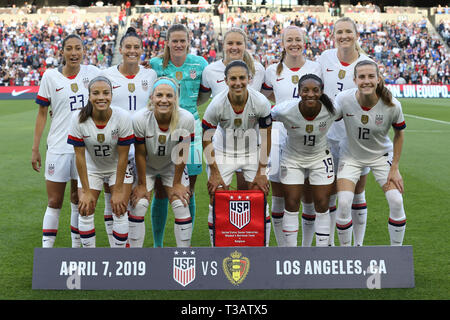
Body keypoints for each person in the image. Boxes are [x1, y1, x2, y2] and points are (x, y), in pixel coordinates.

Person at [32, 34, 100, 248]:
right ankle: (47, 253)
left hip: (85, 149)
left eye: (78, 48)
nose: (73, 53)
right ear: (61, 52)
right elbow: (42, 113)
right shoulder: (50, 77)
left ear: (84, 51)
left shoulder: (93, 73)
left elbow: (118, 77)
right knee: (54, 202)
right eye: (69, 48)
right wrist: (35, 148)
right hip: (58, 148)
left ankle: (76, 250)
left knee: (80, 201)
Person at [334, 60, 406, 246]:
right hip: (350, 156)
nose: (366, 81)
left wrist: (395, 167)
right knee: (343, 203)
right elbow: (326, 117)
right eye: (362, 77)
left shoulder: (392, 105)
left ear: (378, 79)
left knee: (396, 201)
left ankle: (396, 253)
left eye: (371, 76)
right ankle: (346, 255)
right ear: (355, 79)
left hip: (381, 156)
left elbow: (399, 134)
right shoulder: (344, 99)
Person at [262, 25, 322, 247]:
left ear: (304, 42)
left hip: (308, 137)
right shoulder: (272, 71)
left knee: (307, 195)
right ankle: (282, 248)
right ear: (283, 43)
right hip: (279, 137)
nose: (294, 43)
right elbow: (264, 97)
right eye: (290, 40)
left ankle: (305, 249)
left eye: (298, 39)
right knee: (278, 196)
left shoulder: (316, 67)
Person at [317, 17, 374, 246]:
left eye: (348, 31)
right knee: (330, 192)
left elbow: (375, 100)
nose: (344, 36)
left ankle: (357, 245)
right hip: (328, 137)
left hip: (356, 139)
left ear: (356, 34)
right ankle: (330, 243)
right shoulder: (325, 57)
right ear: (333, 35)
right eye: (339, 32)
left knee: (357, 192)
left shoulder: (366, 62)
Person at [202, 60, 272, 247]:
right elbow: (206, 139)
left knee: (260, 194)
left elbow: (266, 138)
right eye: (233, 78)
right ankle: (216, 249)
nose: (238, 82)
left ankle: (261, 250)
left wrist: (262, 172)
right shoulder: (216, 104)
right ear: (225, 81)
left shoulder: (261, 102)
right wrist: (214, 173)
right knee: (216, 194)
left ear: (249, 79)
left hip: (252, 151)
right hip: (224, 152)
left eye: (242, 78)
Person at [149, 24, 208, 247]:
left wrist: (188, 108)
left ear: (189, 40)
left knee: (188, 189)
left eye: (182, 40)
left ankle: (185, 242)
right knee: (162, 191)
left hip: (191, 128)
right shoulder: (156, 64)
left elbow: (205, 94)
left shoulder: (200, 64)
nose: (179, 44)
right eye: (174, 40)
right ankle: (158, 244)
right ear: (167, 42)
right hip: (161, 130)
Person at [101, 27, 157, 248]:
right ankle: (117, 251)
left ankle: (135, 252)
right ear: (120, 49)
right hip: (117, 147)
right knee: (115, 201)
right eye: (128, 47)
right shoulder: (106, 75)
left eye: (136, 47)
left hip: (143, 147)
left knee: (140, 203)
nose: (132, 51)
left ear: (142, 50)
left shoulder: (150, 74)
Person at [271, 74, 338, 247]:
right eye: (305, 90)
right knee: (291, 201)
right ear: (299, 92)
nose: (310, 94)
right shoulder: (284, 110)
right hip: (292, 158)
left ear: (321, 91)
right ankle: (292, 254)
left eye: (315, 90)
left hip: (320, 157)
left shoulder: (332, 110)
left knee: (322, 203)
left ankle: (322, 253)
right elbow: (265, 117)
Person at [67, 76, 135, 248]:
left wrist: (118, 189)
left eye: (106, 93)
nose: (101, 97)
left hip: (116, 167)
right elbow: (80, 157)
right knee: (85, 208)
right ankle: (90, 257)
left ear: (112, 95)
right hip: (92, 167)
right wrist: (87, 190)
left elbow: (123, 156)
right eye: (95, 93)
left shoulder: (122, 117)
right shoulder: (77, 118)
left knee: (119, 208)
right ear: (89, 96)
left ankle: (119, 257)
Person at [198, 27, 266, 192]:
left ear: (245, 45)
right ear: (223, 45)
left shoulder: (259, 70)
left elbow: (266, 97)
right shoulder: (210, 71)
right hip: (222, 144)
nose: (234, 47)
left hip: (251, 144)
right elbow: (201, 99)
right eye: (230, 43)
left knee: (246, 194)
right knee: (219, 196)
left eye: (238, 43)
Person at [131, 77, 195, 248]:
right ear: (152, 97)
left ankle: (184, 255)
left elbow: (182, 152)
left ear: (176, 98)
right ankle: (132, 257)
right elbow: (140, 152)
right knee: (140, 203)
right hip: (147, 165)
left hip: (172, 166)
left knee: (181, 203)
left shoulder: (186, 119)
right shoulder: (140, 119)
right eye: (159, 95)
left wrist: (176, 183)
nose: (164, 100)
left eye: (169, 95)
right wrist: (142, 184)